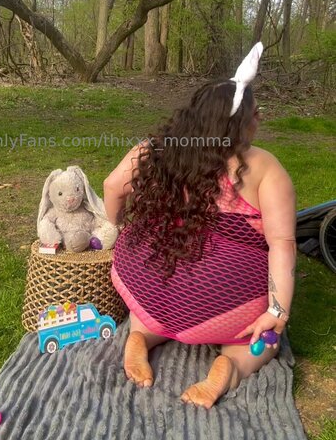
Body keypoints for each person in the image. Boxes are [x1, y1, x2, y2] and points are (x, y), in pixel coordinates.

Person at [103, 43, 296, 408]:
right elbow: (283, 243)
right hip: (223, 303)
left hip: (148, 283)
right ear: (237, 122)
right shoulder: (264, 168)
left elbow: (113, 188)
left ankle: (140, 335)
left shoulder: (157, 148)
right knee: (266, 341)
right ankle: (231, 365)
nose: (261, 120)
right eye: (256, 113)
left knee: (152, 314)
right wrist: (277, 312)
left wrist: (116, 233)